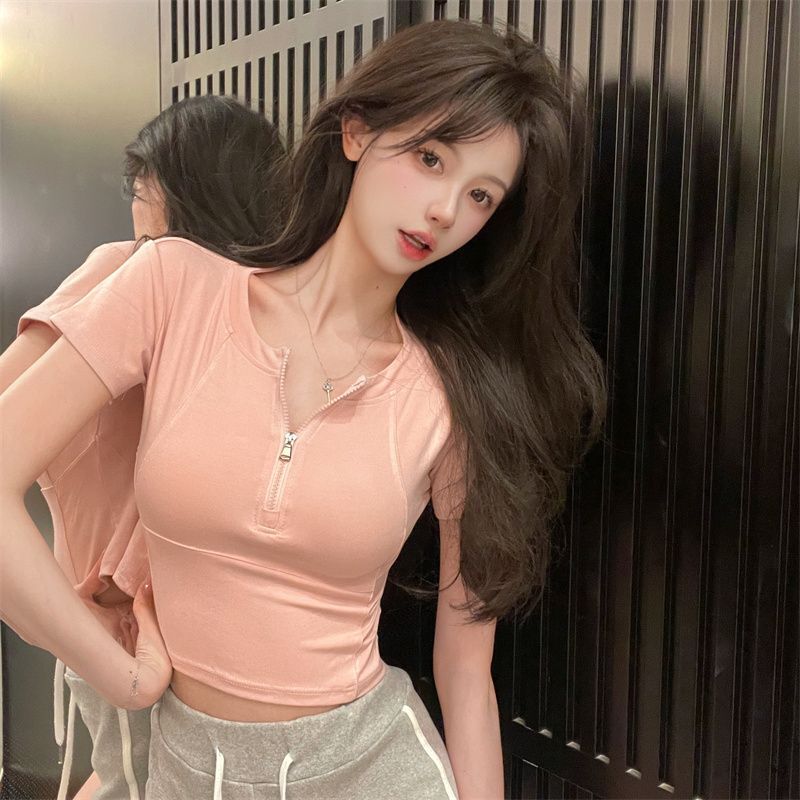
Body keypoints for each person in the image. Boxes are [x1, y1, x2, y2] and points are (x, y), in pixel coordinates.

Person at [1, 19, 606, 799]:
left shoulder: (452, 397)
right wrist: (125, 679)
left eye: (480, 196)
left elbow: (465, 674)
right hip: (187, 771)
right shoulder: (170, 288)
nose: (444, 209)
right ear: (356, 131)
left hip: (372, 770)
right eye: (431, 158)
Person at [0, 94, 286, 800]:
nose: (135, 204)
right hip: (120, 614)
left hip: (180, 618)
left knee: (129, 777)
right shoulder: (125, 269)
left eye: (145, 185)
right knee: (132, 778)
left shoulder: (242, 299)